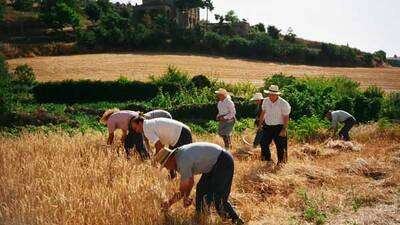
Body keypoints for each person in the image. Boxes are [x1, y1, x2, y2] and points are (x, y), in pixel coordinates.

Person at [157, 142, 244, 225]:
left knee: (218, 198)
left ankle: (235, 221)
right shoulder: (179, 155)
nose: (167, 168)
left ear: (170, 159)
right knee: (201, 189)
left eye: (165, 165)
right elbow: (190, 181)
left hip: (223, 161)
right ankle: (201, 218)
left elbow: (183, 189)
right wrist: (186, 197)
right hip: (214, 163)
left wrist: (169, 203)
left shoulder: (182, 161)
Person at [258, 85, 291, 165]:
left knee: (280, 146)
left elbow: (286, 117)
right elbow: (263, 113)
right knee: (263, 143)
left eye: (272, 94)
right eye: (269, 94)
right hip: (267, 126)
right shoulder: (265, 101)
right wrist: (260, 124)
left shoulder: (283, 103)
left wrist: (284, 129)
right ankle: (267, 160)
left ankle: (281, 163)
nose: (270, 96)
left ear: (277, 95)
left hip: (279, 127)